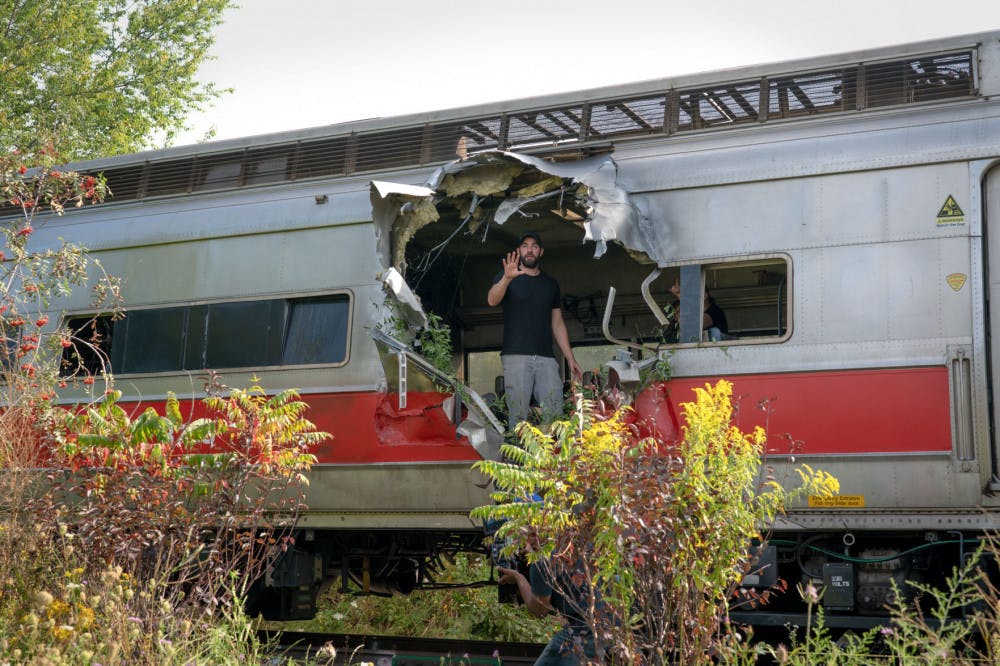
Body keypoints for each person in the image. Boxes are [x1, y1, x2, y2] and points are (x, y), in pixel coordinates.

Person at [487, 232, 582, 428]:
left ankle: (551, 458)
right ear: (519, 251)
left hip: (546, 357)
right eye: (524, 246)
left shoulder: (550, 284)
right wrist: (506, 278)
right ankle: (516, 457)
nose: (529, 250)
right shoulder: (507, 276)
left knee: (555, 411)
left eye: (534, 246)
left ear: (541, 252)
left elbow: (557, 323)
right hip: (516, 356)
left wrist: (570, 358)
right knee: (518, 414)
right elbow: (492, 300)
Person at [498, 557, 598, 665]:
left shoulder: (540, 561)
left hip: (584, 629)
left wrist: (518, 577)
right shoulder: (580, 545)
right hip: (612, 623)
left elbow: (539, 610)